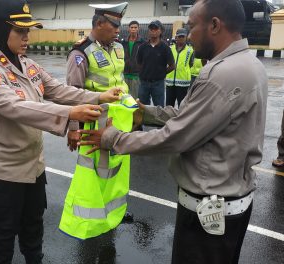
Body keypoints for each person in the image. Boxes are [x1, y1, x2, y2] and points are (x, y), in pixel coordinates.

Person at [79, 0, 268, 263]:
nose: (188, 36)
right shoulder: (247, 63)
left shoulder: (222, 74)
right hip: (228, 202)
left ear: (214, 25)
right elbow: (190, 116)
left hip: (208, 212)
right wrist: (146, 112)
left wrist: (113, 139)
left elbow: (176, 136)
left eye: (191, 27)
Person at [0, 0, 122, 263]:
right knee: (3, 239)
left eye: (28, 31)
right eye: (20, 31)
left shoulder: (28, 65)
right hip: (2, 173)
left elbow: (59, 90)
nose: (27, 37)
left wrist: (99, 97)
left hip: (33, 168)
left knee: (33, 234)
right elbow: (19, 108)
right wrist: (69, 115)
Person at [65, 2, 134, 224]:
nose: (117, 30)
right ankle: (92, 215)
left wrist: (132, 108)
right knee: (94, 170)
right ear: (99, 23)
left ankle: (113, 210)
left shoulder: (118, 48)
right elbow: (72, 94)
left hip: (118, 122)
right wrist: (74, 129)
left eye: (119, 25)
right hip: (94, 123)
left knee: (115, 168)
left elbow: (120, 82)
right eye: (114, 25)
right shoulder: (81, 52)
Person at [137, 20, 175, 107]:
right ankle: (144, 121)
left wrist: (161, 73)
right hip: (144, 83)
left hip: (158, 84)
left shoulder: (165, 48)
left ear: (161, 31)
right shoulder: (142, 47)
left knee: (159, 109)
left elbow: (172, 66)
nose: (153, 31)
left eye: (156, 28)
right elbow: (139, 63)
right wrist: (144, 73)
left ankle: (157, 121)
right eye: (151, 29)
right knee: (141, 107)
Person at [165, 28, 194, 107]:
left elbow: (191, 64)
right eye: (179, 36)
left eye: (182, 36)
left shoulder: (190, 50)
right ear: (176, 37)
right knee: (168, 106)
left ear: (186, 37)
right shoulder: (170, 49)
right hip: (170, 82)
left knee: (182, 106)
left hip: (183, 83)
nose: (181, 38)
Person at [121, 20, 145, 99]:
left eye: (135, 27)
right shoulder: (123, 43)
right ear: (128, 29)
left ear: (138, 29)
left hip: (136, 77)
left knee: (135, 100)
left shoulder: (143, 43)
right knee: (124, 98)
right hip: (124, 75)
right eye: (132, 27)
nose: (133, 29)